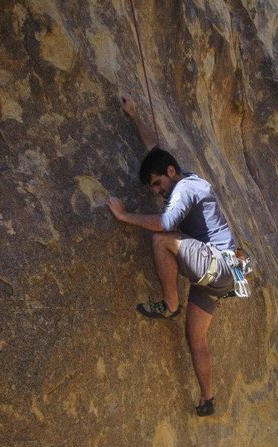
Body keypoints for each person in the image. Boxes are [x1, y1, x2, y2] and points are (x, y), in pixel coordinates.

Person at [106, 97, 237, 416]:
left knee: (161, 241)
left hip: (216, 264)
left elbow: (164, 223)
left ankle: (169, 304)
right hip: (219, 275)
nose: (158, 191)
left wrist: (125, 216)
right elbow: (155, 149)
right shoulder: (177, 176)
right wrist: (135, 114)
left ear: (171, 172)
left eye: (158, 184)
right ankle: (208, 399)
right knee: (196, 338)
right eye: (154, 188)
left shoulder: (186, 187)